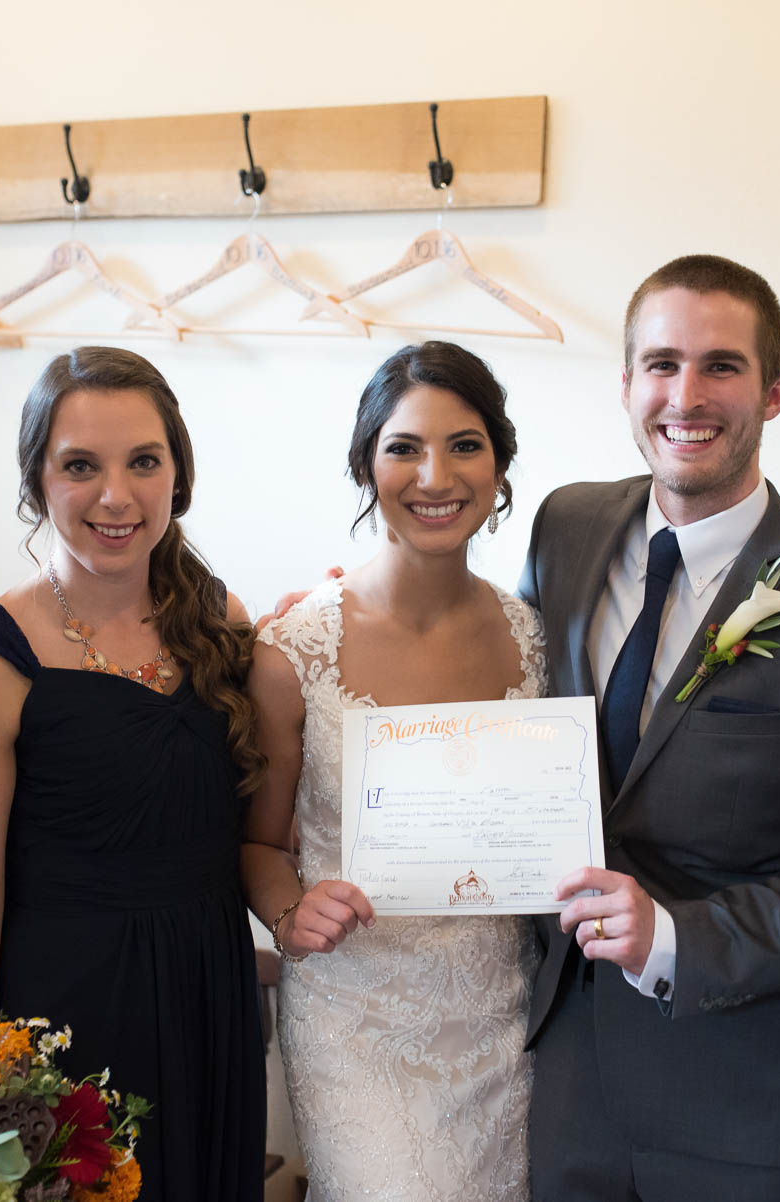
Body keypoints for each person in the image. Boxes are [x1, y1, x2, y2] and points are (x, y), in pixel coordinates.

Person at [519, 255, 780, 1200]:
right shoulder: (565, 529)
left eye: (721, 366)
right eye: (661, 364)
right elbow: (514, 708)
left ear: (774, 392)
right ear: (625, 384)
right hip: (565, 1087)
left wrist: (672, 939)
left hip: (749, 1106)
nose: (685, 396)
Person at [0, 346, 267, 1200]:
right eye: (81, 466)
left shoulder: (222, 624)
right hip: (62, 1048)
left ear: (178, 475)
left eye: (144, 462)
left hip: (208, 1015)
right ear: (38, 482)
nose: (117, 495)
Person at [244, 341, 543, 1201]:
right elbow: (259, 844)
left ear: (499, 464)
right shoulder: (294, 647)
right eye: (404, 447)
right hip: (357, 1023)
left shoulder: (537, 638)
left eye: (464, 444)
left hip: (503, 1024)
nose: (434, 475)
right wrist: (290, 911)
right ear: (366, 465)